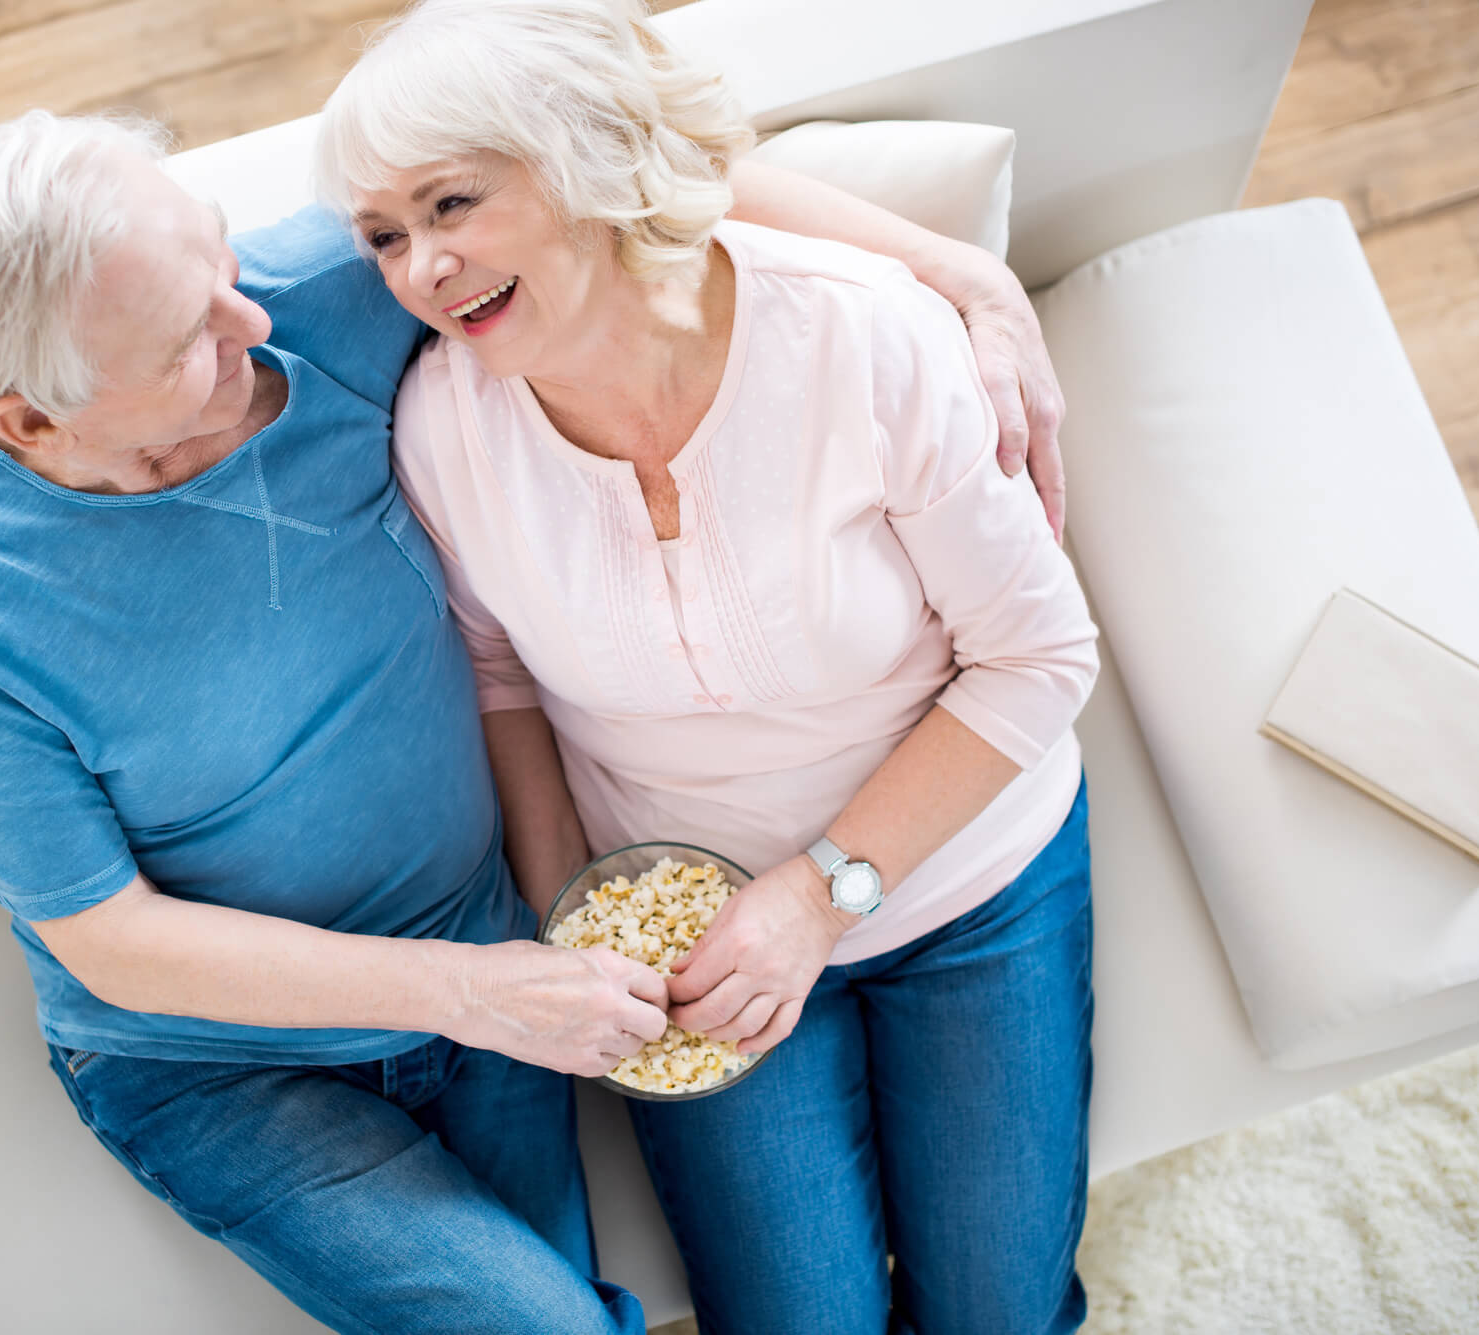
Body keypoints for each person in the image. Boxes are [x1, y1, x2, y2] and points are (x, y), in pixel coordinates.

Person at [0, 94, 1067, 1335]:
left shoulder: (313, 298)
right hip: (224, 1058)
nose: (252, 320)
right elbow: (111, 942)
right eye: (186, 346)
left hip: (486, 950)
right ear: (29, 421)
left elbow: (604, 161)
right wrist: (480, 992)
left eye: (219, 263)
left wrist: (958, 275)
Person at [314, 2, 1101, 1333]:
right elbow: (502, 673)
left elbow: (1037, 655)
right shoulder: (447, 430)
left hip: (966, 876)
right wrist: (577, 908)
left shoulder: (864, 338)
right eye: (384, 236)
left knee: (1000, 1318)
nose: (423, 267)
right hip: (681, 921)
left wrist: (820, 892)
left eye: (454, 203)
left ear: (585, 164)